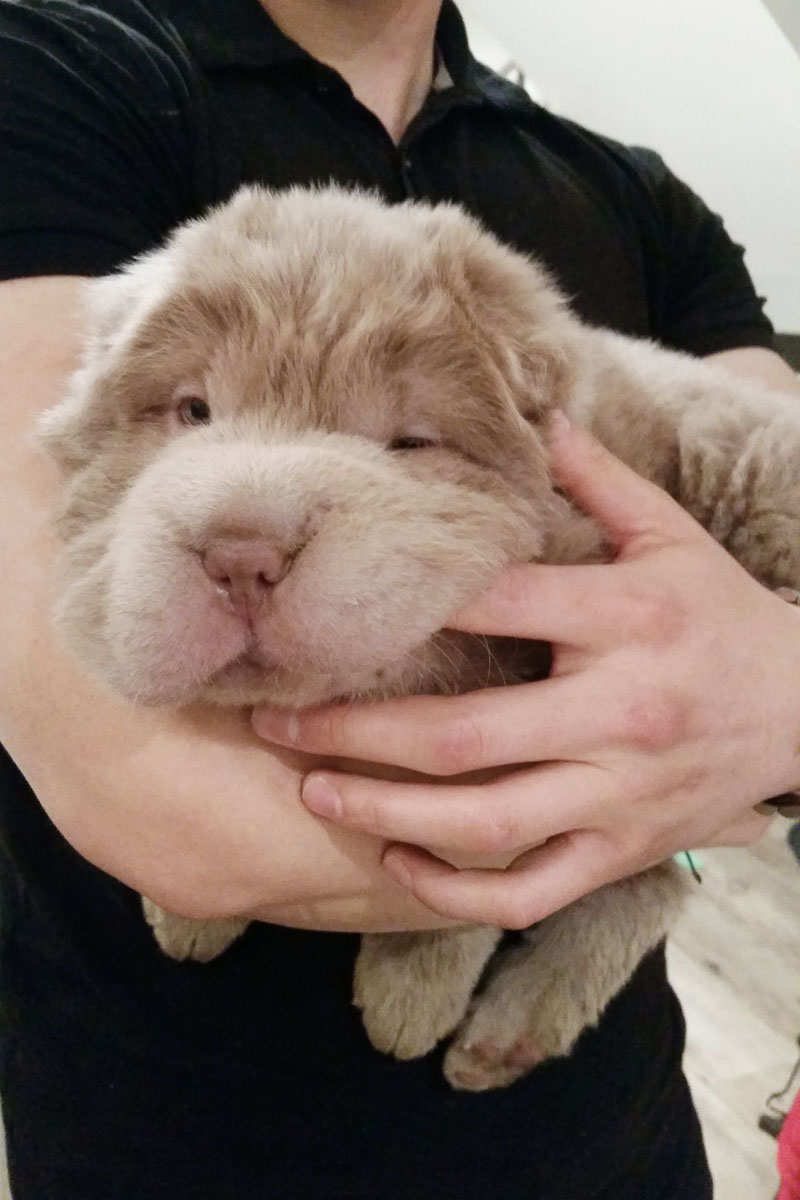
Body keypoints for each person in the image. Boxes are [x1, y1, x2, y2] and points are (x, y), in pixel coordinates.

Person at [1, 0, 799, 1196]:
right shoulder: (55, 68)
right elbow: (165, 811)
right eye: (194, 413)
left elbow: (759, 564)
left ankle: (623, 913)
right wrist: (692, 759)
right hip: (162, 1132)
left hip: (606, 1143)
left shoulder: (631, 195)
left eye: (408, 438)